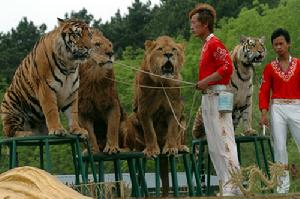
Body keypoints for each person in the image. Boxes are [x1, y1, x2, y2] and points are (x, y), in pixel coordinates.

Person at [189, 3, 241, 196]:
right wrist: (203, 84)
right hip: (208, 97)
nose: (191, 26)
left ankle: (234, 185)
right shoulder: (206, 45)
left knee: (224, 140)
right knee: (214, 145)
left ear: (205, 24)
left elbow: (227, 68)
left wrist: (205, 81)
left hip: (218, 95)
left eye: (194, 22)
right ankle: (225, 185)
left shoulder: (214, 43)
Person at [259, 28, 300, 194]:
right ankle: (283, 189)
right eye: (275, 44)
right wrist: (263, 113)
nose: (278, 47)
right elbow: (264, 90)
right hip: (277, 109)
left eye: (281, 43)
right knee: (280, 147)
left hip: (297, 106)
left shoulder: (299, 64)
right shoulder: (269, 68)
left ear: (288, 44)